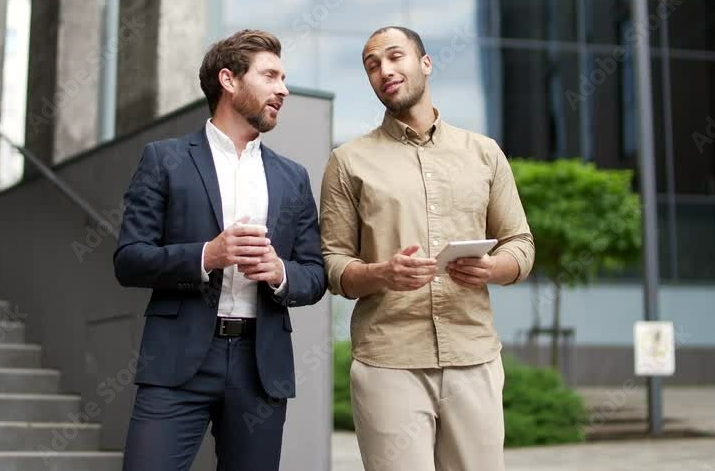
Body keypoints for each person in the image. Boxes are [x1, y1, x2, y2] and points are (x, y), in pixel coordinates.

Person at [320, 26, 535, 470]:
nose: (384, 70)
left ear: (425, 63)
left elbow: (521, 243)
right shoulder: (348, 161)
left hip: (473, 354)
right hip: (389, 361)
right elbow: (333, 264)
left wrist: (493, 269)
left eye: (395, 57)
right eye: (372, 65)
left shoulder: (485, 153)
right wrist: (383, 274)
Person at [114, 29, 327, 471]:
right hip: (176, 362)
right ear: (228, 80)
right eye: (270, 76)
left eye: (284, 78)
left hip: (260, 367)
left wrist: (279, 271)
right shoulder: (164, 159)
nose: (282, 89)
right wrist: (206, 256)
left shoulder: (293, 177)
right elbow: (129, 259)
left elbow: (314, 274)